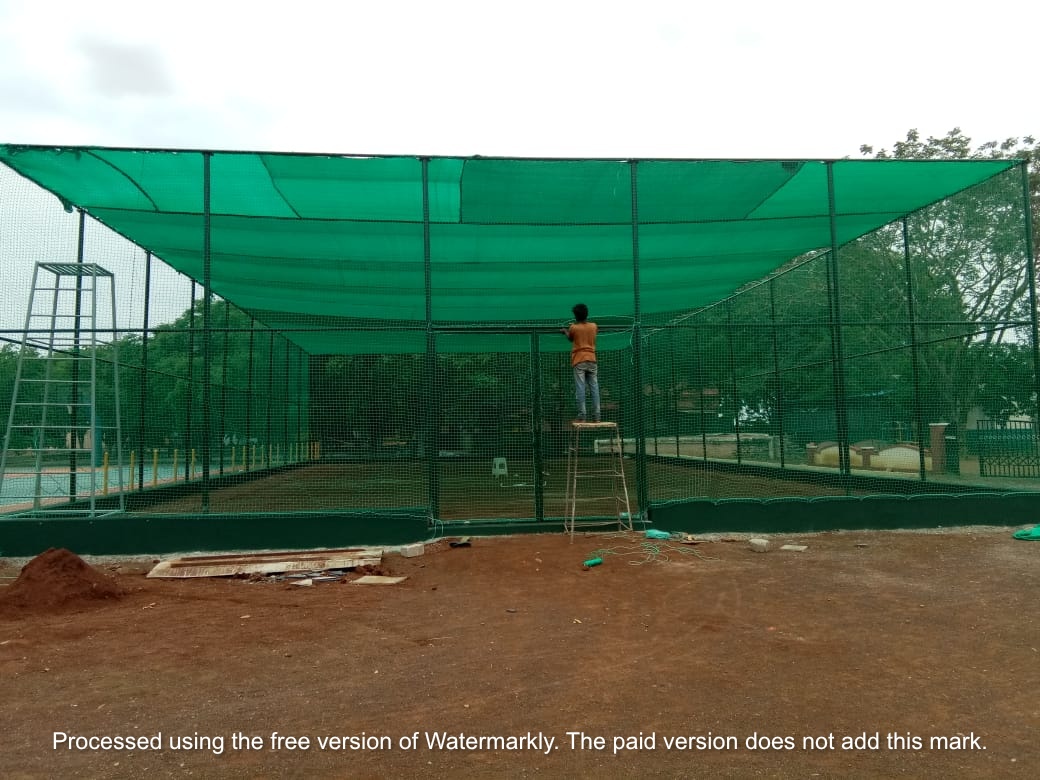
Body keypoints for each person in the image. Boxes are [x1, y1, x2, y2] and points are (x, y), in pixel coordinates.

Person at [561, 303, 600, 422]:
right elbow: (593, 332)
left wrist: (565, 331)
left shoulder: (573, 327)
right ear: (586, 314)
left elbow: (570, 338)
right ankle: (597, 416)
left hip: (579, 360)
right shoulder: (594, 326)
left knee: (580, 388)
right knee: (594, 388)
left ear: (575, 316)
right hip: (592, 359)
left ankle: (582, 416)